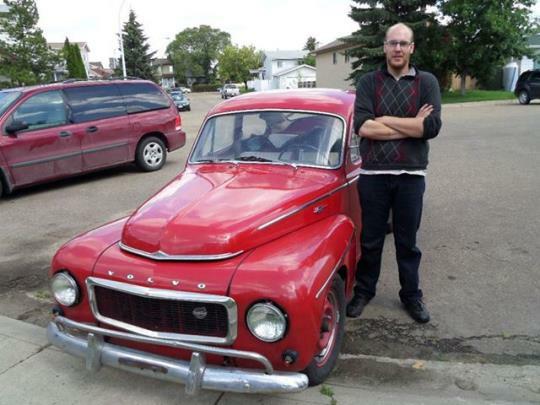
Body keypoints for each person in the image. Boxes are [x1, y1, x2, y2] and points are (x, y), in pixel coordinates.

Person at [347, 23, 442, 323]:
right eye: (392, 43)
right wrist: (410, 125)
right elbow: (363, 127)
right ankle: (364, 291)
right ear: (385, 47)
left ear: (412, 48)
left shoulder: (426, 82)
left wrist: (385, 119)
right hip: (373, 175)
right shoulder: (368, 82)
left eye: (403, 43)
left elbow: (430, 127)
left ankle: (411, 295)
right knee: (371, 239)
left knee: (407, 241)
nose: (397, 48)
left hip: (411, 176)